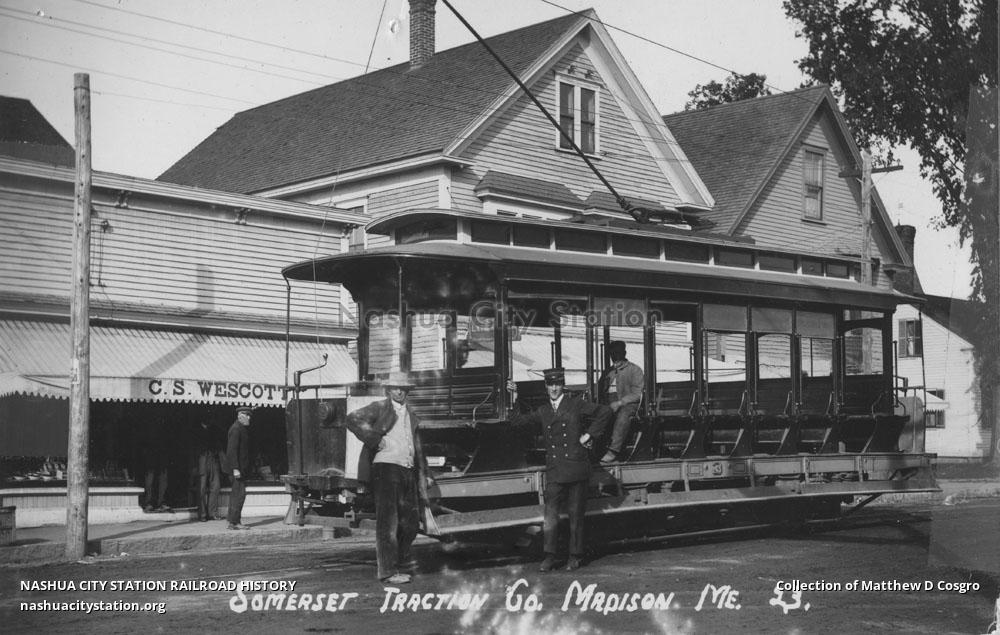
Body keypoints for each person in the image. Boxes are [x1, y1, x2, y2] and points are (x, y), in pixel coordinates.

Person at [507, 368, 612, 572]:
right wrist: (514, 397)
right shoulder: (544, 411)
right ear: (546, 387)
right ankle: (549, 555)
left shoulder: (575, 404)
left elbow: (605, 412)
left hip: (576, 467)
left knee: (575, 515)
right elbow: (517, 421)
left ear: (563, 385)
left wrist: (589, 435)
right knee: (551, 515)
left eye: (557, 384)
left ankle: (575, 556)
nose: (554, 388)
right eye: (550, 385)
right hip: (555, 470)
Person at [345, 371, 432, 584]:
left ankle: (396, 563)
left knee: (411, 523)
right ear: (389, 390)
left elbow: (418, 449)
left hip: (407, 470)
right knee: (388, 523)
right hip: (385, 469)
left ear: (407, 391)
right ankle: (388, 571)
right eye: (395, 388)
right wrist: (375, 440)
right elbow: (352, 419)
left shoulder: (411, 414)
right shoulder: (380, 407)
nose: (399, 391)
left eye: (403, 388)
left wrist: (426, 474)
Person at [599, 341, 644, 463]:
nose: (615, 358)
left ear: (624, 354)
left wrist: (620, 403)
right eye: (613, 355)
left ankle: (613, 450)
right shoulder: (608, 372)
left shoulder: (635, 370)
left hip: (629, 404)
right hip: (609, 403)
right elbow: (600, 390)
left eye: (618, 354)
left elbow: (637, 394)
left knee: (623, 415)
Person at [224, 406, 252, 530]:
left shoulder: (241, 428)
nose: (249, 418)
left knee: (238, 495)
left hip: (240, 469)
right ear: (240, 416)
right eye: (247, 415)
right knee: (239, 495)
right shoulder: (236, 429)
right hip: (237, 469)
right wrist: (235, 468)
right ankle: (234, 522)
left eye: (249, 415)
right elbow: (232, 450)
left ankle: (234, 521)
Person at [195, 419, 224, 521]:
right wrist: (194, 466)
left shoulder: (214, 430)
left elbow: (219, 445)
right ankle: (202, 514)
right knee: (201, 488)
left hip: (213, 459)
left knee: (216, 486)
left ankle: (212, 513)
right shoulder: (196, 430)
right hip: (201, 460)